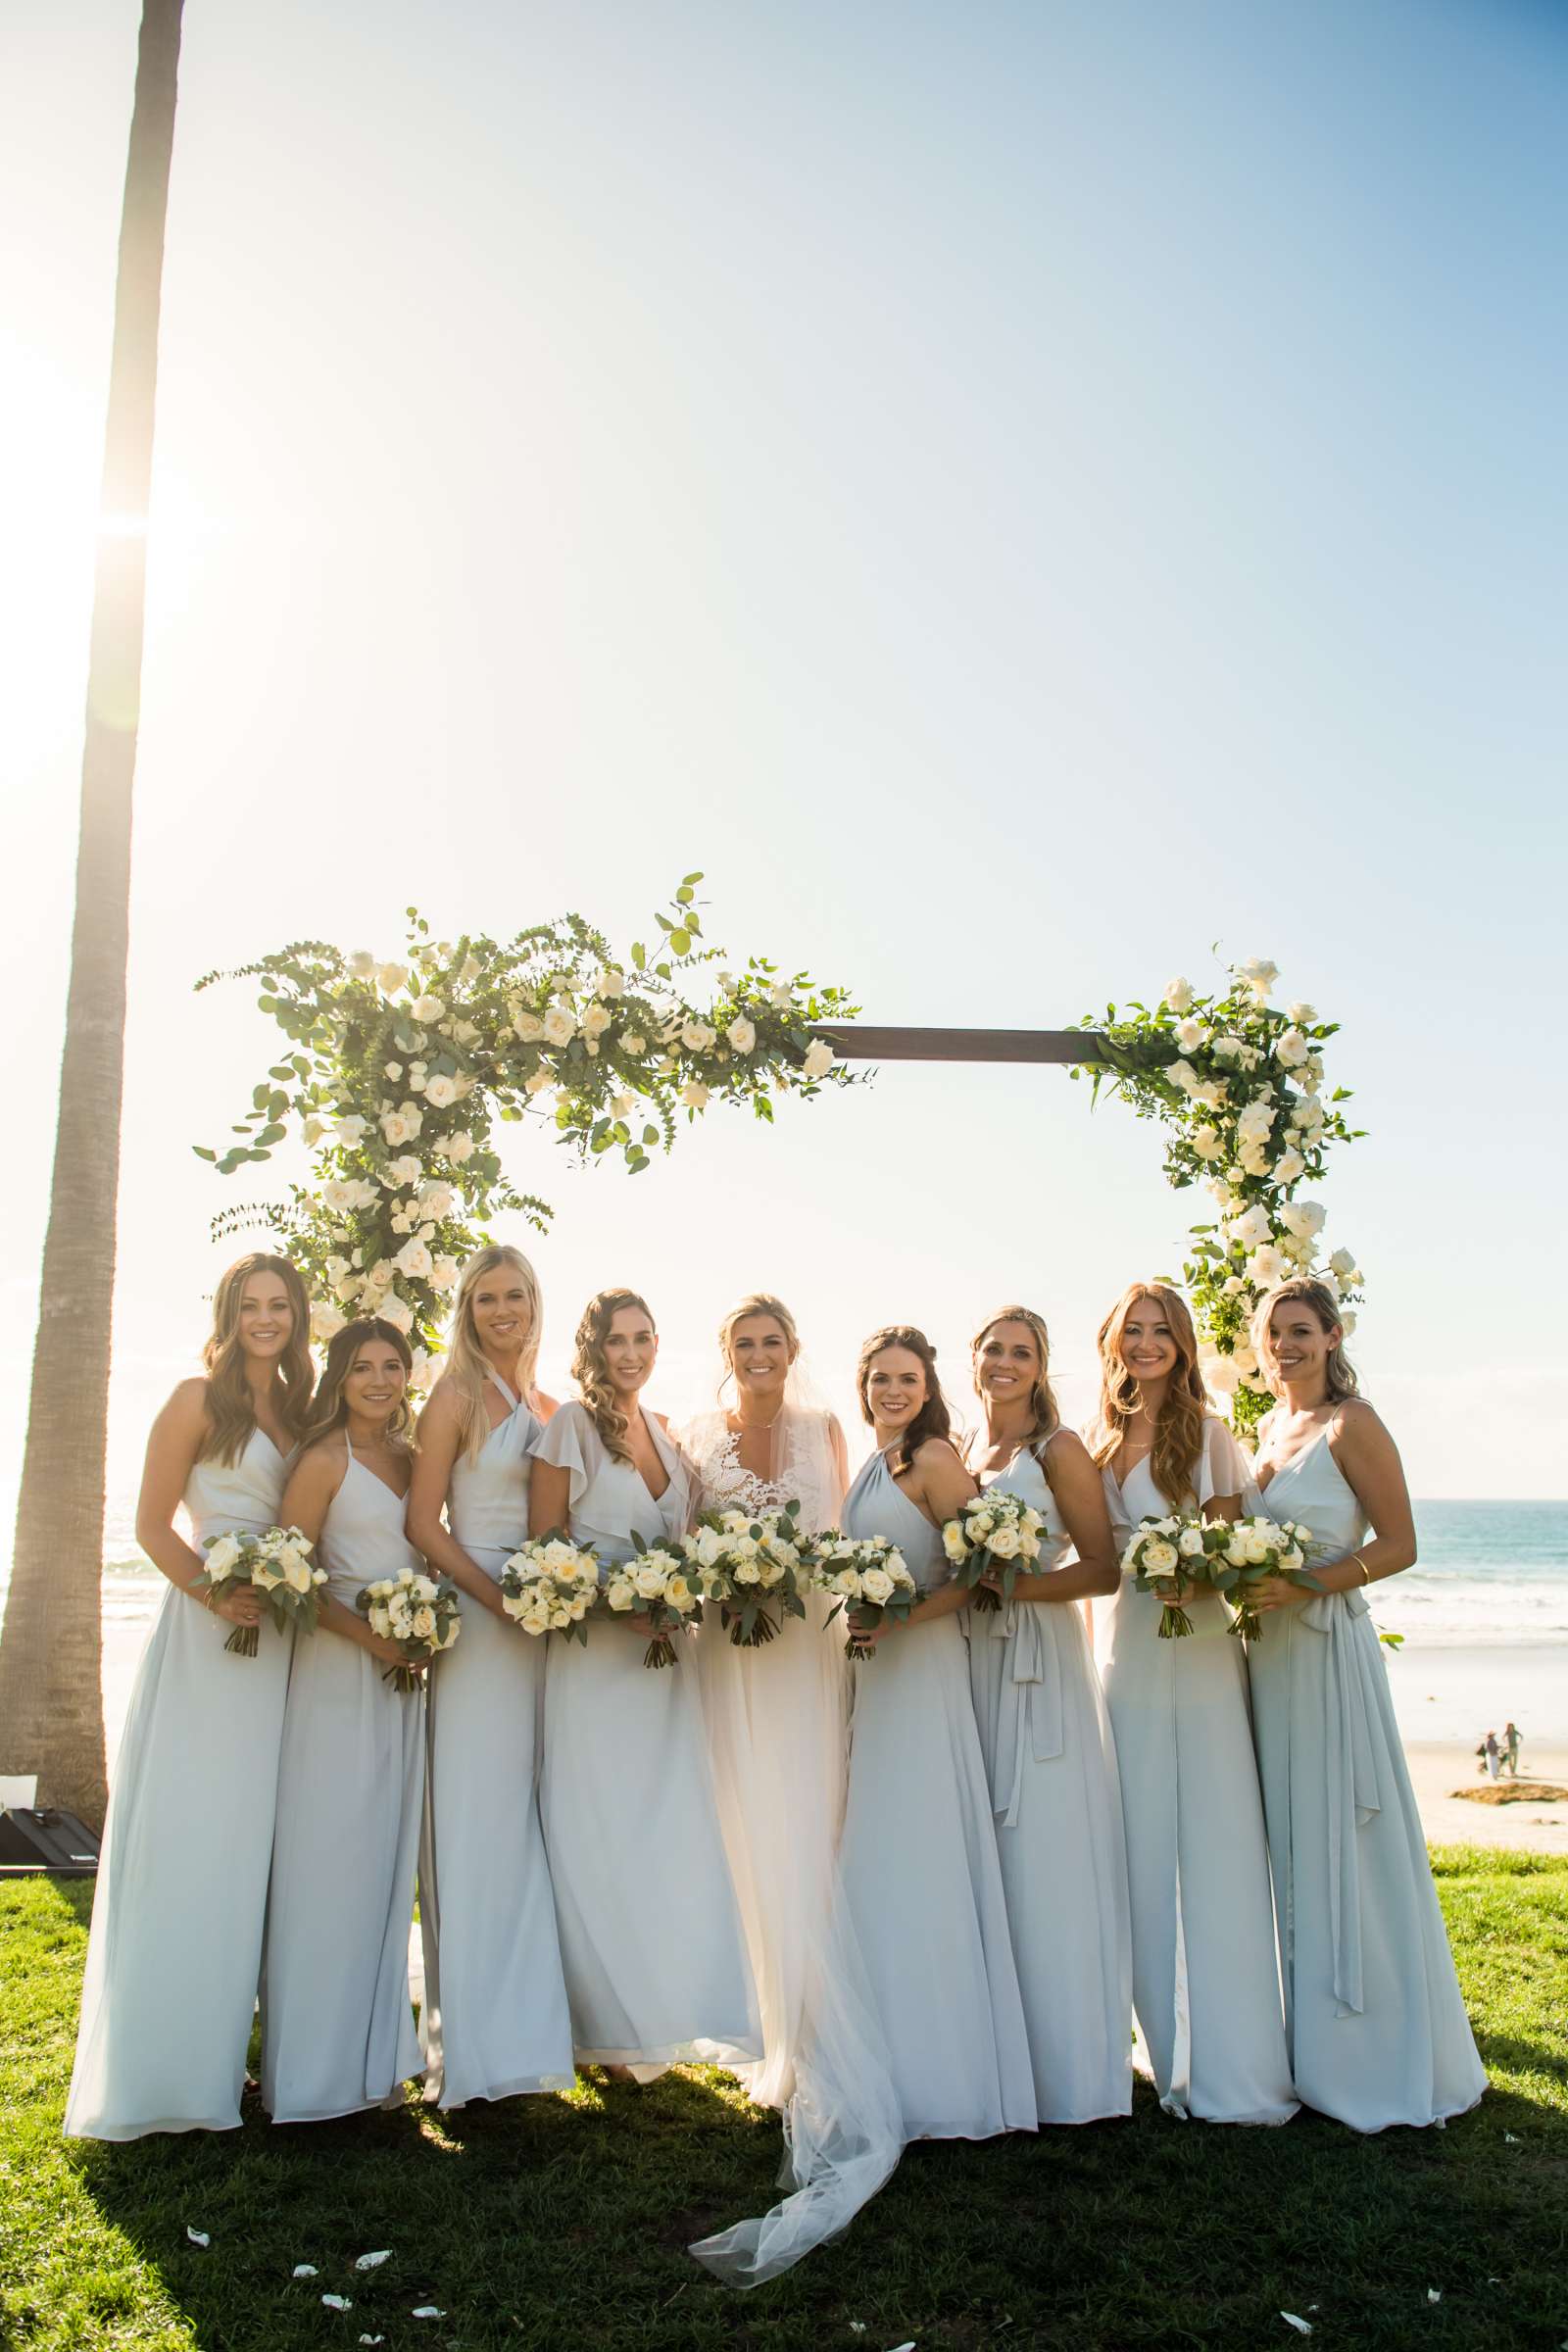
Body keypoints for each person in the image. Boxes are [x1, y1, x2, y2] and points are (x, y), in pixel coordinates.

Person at [65, 1253, 315, 2139]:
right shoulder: (192, 1401)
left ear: (298, 1315)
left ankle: (242, 2051)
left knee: (258, 1847)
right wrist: (217, 1593)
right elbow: (148, 1524)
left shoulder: (303, 1408)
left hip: (286, 1642)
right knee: (199, 1839)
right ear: (228, 1311)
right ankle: (170, 2070)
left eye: (279, 1305)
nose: (266, 1319)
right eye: (251, 1305)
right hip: (211, 1644)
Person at [1246, 1277, 1486, 2131]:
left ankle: (1370, 2050)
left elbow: (1402, 1544)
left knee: (1343, 1836)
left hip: (1323, 1650)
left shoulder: (1354, 1423)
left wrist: (1305, 1582)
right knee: (1287, 1841)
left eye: (1302, 1330)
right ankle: (1302, 2043)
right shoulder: (1266, 1431)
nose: (1287, 1346)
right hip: (1263, 1660)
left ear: (1334, 1334)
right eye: (1274, 1332)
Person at [529, 1290, 760, 2077]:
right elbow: (546, 1551)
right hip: (597, 1661)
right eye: (614, 1340)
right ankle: (599, 2028)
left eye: (641, 1339)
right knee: (597, 1834)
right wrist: (615, 1604)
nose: (629, 1353)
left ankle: (649, 2018)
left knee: (659, 1833)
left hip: (665, 1663)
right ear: (590, 1348)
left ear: (658, 1345)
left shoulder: (663, 1431)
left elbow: (689, 1540)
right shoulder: (570, 1426)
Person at [1090, 1282, 1297, 2126]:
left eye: (1161, 1332)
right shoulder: (1098, 1447)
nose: (1146, 1344)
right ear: (1114, 1344)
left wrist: (1191, 1566)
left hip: (1201, 1648)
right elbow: (1097, 1553)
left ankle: (1235, 2057)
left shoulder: (1208, 1437)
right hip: (1131, 1648)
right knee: (1137, 1845)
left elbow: (1231, 1551)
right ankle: (1159, 2049)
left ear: (1181, 1346)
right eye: (1133, 1331)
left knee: (1216, 1843)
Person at [832, 1324, 1034, 2140]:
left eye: (907, 1377)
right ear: (864, 1384)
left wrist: (907, 1613)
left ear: (928, 1385)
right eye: (880, 1377)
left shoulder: (936, 1458)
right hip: (877, 1673)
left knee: (921, 1846)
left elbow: (990, 1568)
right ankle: (881, 2048)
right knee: (879, 1847)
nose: (892, 1389)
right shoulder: (877, 1462)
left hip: (922, 1670)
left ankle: (940, 2069)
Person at [406, 1246, 573, 2107]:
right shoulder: (457, 1397)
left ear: (536, 1303)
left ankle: (533, 2035)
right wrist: (494, 1598)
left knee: (534, 1819)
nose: (502, 1311)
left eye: (515, 1296)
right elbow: (422, 1521)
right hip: (481, 1621)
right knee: (478, 1818)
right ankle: (471, 2049)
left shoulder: (545, 1403)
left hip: (544, 1623)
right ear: (466, 1311)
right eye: (485, 1299)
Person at [682, 1292, 850, 2109]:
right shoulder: (697, 1437)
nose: (758, 1354)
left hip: (806, 1646)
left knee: (811, 1815)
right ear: (727, 1351)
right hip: (729, 1648)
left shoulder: (825, 1430)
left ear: (793, 1348)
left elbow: (840, 1535)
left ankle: (813, 2028)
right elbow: (686, 1544)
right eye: (744, 1342)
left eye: (771, 1341)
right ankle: (762, 2023)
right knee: (742, 1820)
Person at [966, 1305, 1132, 2124]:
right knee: (992, 1851)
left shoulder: (1057, 1449)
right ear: (974, 1360)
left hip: (1038, 1657)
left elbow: (1103, 1567)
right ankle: (1005, 2044)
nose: (1004, 1362)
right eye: (993, 1349)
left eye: (1020, 1353)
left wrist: (1019, 1587)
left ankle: (1070, 2068)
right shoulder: (966, 1448)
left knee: (1046, 1847)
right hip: (975, 1656)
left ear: (1041, 1367)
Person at [260, 1318, 426, 2122]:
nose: (380, 1380)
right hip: (336, 1680)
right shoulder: (323, 1461)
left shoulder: (415, 1459)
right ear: (339, 1375)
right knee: (326, 1863)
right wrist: (374, 1640)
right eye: (363, 1367)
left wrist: (420, 1637)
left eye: (393, 1365)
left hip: (402, 1686)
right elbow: (292, 1582)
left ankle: (376, 2070)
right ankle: (313, 2078)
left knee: (382, 1867)